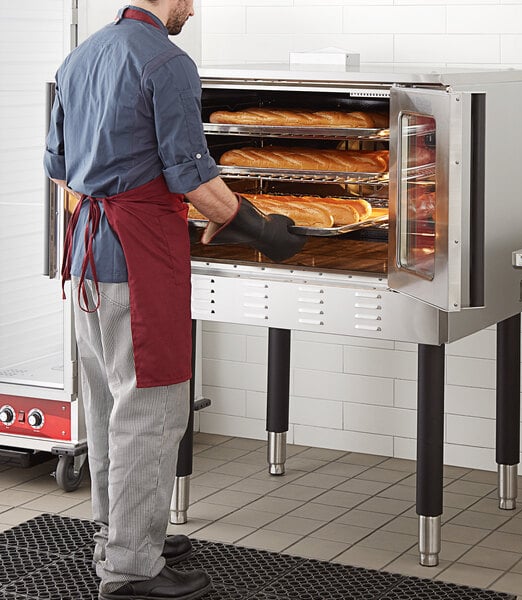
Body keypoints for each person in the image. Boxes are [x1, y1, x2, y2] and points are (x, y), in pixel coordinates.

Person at [44, 1, 305, 599]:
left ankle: (119, 534)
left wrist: (112, 210)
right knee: (152, 408)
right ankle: (131, 569)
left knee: (110, 401)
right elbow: (189, 174)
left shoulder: (81, 56)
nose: (193, 6)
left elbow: (59, 168)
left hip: (86, 254)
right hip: (137, 262)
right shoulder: (167, 61)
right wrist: (258, 229)